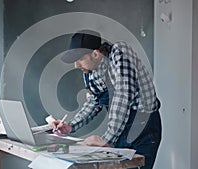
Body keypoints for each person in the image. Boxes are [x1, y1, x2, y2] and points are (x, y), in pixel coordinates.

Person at [53, 30, 162, 169]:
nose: (76, 65)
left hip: (143, 127)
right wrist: (71, 125)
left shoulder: (120, 53)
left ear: (96, 53)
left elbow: (122, 95)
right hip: (121, 130)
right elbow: (94, 102)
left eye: (79, 59)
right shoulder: (90, 72)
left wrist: (106, 139)